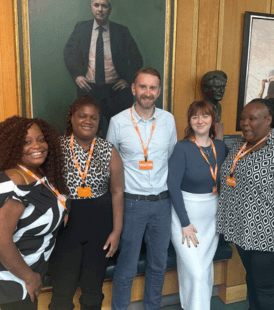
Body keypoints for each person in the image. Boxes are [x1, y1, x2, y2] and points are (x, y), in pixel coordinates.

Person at [216, 98, 274, 310]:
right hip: (242, 232)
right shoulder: (242, 144)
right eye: (242, 118)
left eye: (252, 118)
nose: (245, 123)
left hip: (268, 235)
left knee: (265, 288)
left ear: (268, 119)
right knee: (253, 281)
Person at [0, 116, 69, 310]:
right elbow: (1, 241)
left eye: (40, 139)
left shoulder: (36, 173)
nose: (36, 146)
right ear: (12, 147)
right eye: (26, 142)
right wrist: (30, 277)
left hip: (32, 267)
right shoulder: (12, 183)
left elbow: (48, 204)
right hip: (13, 274)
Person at [107, 67, 177, 310]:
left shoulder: (168, 120)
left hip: (162, 203)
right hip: (132, 204)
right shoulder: (118, 122)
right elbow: (111, 164)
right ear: (134, 89)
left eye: (153, 87)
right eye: (143, 87)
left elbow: (170, 157)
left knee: (158, 266)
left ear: (158, 91)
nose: (148, 92)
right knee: (126, 267)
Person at [48, 95, 124, 310]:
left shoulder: (108, 150)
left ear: (99, 122)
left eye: (93, 117)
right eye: (82, 115)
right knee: (62, 292)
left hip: (100, 227)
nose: (87, 121)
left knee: (93, 293)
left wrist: (116, 232)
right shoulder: (55, 147)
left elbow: (118, 192)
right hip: (65, 226)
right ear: (71, 118)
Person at [167, 100, 229, 310]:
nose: (200, 120)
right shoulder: (182, 148)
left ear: (213, 120)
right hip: (184, 217)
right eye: (195, 117)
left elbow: (228, 180)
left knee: (204, 268)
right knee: (196, 271)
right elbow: (173, 187)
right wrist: (184, 222)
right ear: (189, 121)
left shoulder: (220, 147)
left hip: (211, 216)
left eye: (205, 116)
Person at [64, 0, 143, 133]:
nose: (100, 9)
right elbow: (69, 52)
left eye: (104, 6)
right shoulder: (81, 28)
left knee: (121, 132)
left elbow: (137, 58)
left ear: (109, 9)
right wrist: (77, 75)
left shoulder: (121, 31)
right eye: (96, 5)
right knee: (88, 132)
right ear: (91, 7)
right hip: (89, 89)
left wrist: (128, 80)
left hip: (115, 91)